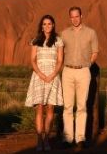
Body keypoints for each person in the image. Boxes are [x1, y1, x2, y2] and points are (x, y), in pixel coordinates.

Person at [61, 6, 99, 148]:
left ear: (81, 16)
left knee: (82, 106)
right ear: (70, 17)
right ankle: (67, 138)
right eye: (72, 17)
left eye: (77, 16)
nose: (75, 19)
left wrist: (88, 65)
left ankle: (80, 138)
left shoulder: (91, 33)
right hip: (68, 71)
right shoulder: (64, 34)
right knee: (68, 106)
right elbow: (60, 52)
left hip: (83, 71)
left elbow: (95, 52)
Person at [25, 14, 64, 152]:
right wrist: (41, 74)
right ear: (41, 26)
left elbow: (60, 60)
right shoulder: (36, 40)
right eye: (44, 24)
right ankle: (39, 139)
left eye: (49, 24)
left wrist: (53, 74)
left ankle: (47, 138)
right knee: (40, 109)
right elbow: (33, 60)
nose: (47, 26)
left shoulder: (58, 41)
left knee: (50, 110)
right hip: (38, 76)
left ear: (53, 25)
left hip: (53, 76)